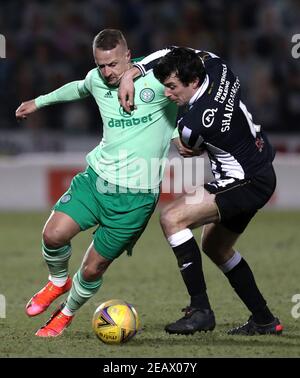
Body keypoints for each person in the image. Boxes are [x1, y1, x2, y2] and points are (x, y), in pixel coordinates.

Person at [15, 30, 180, 337]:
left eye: (113, 65)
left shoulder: (158, 78)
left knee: (93, 269)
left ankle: (64, 315)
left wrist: (179, 135)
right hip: (96, 181)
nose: (107, 72)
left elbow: (188, 67)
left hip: (136, 199)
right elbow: (78, 88)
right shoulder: (96, 79)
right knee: (53, 235)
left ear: (128, 56)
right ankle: (57, 281)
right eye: (101, 65)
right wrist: (38, 102)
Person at [118, 47, 283, 336]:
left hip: (244, 180)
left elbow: (188, 148)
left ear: (193, 81)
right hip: (261, 170)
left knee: (172, 219)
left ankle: (200, 310)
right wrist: (135, 71)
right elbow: (181, 52)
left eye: (172, 87)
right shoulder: (220, 69)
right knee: (215, 248)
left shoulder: (192, 125)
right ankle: (264, 319)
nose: (168, 94)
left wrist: (134, 71)